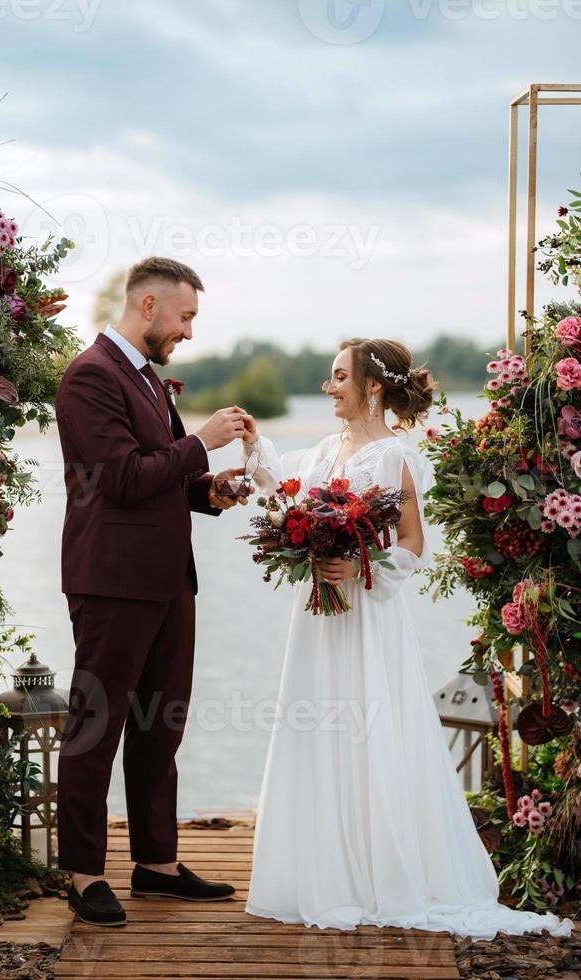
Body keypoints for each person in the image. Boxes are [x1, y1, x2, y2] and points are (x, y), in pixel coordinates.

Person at [239, 336, 574, 940]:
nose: (327, 385)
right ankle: (322, 867)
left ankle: (379, 871)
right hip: (316, 620)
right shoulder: (322, 450)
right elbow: (275, 487)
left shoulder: (394, 456)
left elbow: (415, 543)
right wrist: (251, 441)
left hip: (367, 615)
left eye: (338, 376)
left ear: (371, 386)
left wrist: (362, 570)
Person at [55, 257, 250, 927]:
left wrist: (209, 491)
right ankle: (83, 875)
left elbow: (159, 477)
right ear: (147, 307)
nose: (189, 332)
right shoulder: (90, 375)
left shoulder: (142, 377)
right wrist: (201, 442)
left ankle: (156, 864)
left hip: (168, 581)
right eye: (186, 317)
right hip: (111, 581)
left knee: (158, 723)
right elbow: (121, 478)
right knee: (97, 724)